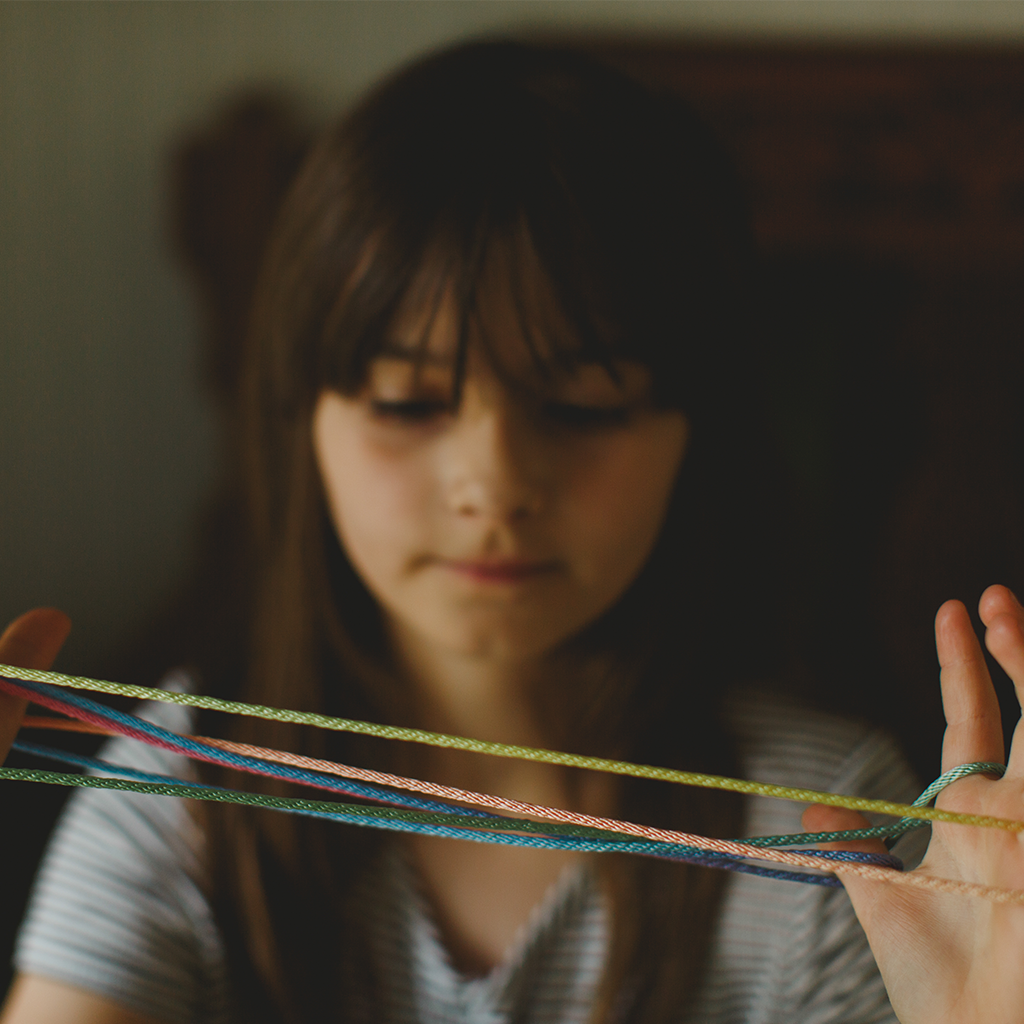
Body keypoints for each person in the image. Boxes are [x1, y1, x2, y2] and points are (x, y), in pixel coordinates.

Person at [2, 40, 1023, 1024]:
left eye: (581, 405)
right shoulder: (182, 781)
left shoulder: (826, 825)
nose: (492, 485)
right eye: (406, 402)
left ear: (695, 429)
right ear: (299, 422)